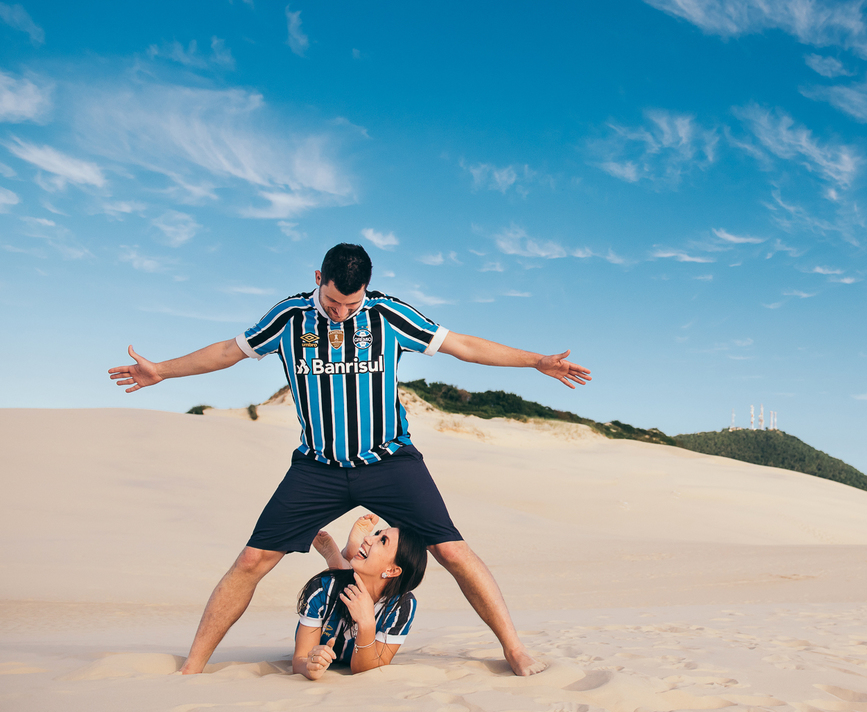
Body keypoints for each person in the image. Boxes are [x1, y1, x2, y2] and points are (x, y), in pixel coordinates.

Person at [108, 242, 591, 676]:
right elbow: (227, 352)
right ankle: (192, 666)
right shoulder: (289, 317)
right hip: (316, 468)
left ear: (367, 291)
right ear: (318, 279)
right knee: (252, 560)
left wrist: (535, 360)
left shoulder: (387, 315)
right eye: (334, 302)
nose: (341, 313)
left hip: (390, 463)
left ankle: (514, 648)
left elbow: (462, 345)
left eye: (352, 304)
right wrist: (163, 371)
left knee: (452, 552)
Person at [295, 513, 426, 679]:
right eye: (377, 534)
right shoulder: (322, 589)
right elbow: (299, 659)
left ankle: (342, 560)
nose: (368, 538)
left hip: (357, 636)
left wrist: (367, 623)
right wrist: (309, 667)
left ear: (392, 570)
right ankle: (343, 561)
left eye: (382, 541)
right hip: (334, 596)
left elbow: (369, 668)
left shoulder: (401, 606)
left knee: (343, 578)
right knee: (337, 582)